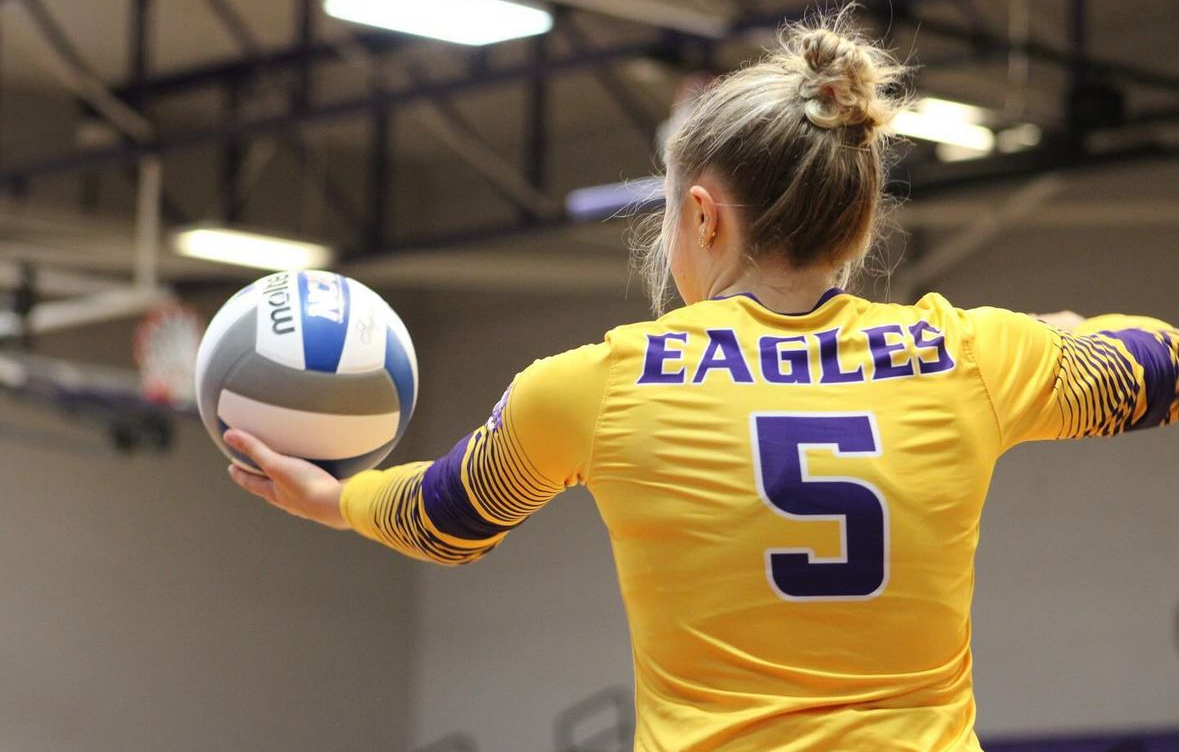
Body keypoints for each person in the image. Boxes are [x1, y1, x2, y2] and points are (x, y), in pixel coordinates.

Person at [224, 9, 1179, 752]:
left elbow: (446, 516)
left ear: (702, 215)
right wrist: (1063, 334)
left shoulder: (600, 386)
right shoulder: (970, 356)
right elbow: (1158, 368)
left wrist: (335, 498)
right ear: (855, 220)